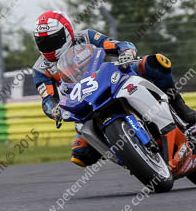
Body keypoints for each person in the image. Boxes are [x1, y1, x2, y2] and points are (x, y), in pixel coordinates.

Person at [32, 10, 196, 167]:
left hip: (108, 78)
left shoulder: (86, 36)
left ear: (66, 33)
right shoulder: (40, 69)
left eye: (52, 40)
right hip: (83, 102)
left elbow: (117, 45)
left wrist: (126, 52)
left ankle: (180, 107)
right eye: (41, 41)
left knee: (156, 62)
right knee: (80, 155)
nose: (47, 46)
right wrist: (54, 110)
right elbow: (48, 99)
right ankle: (132, 156)